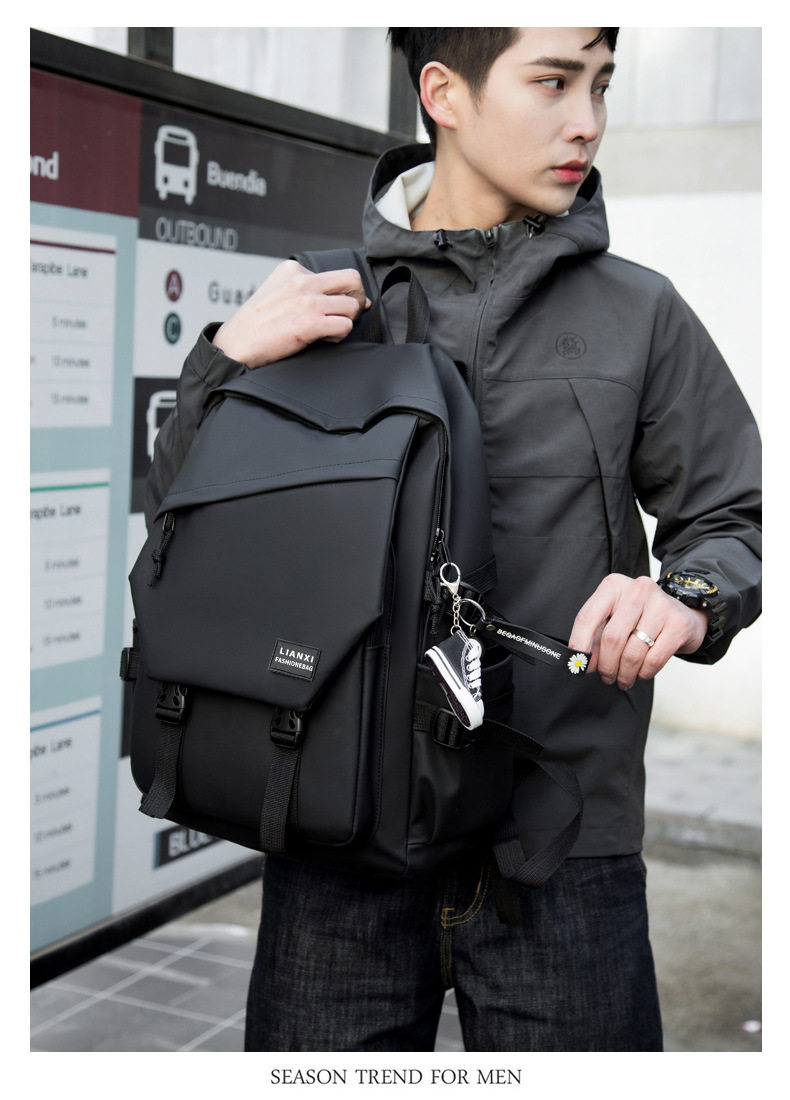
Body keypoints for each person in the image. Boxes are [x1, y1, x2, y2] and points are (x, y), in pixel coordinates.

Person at [146, 28, 761, 1052]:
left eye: (601, 85)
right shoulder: (319, 301)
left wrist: (685, 598)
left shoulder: (641, 312)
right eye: (553, 81)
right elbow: (182, 524)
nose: (587, 122)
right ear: (444, 92)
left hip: (564, 846)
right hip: (336, 835)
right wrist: (225, 360)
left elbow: (728, 515)